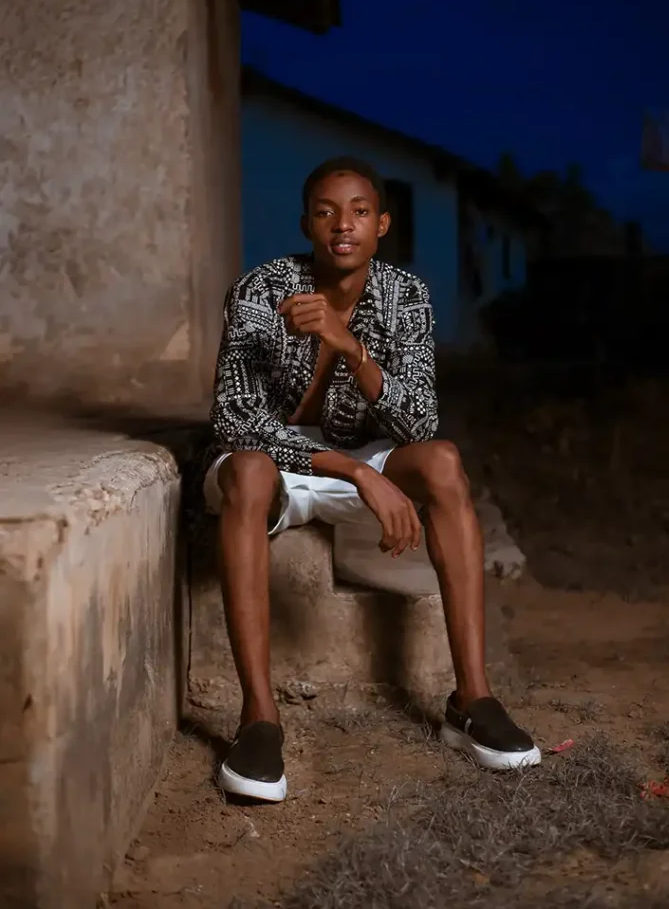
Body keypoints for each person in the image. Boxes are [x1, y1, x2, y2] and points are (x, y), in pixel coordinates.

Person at [203, 156, 540, 803]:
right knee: (245, 471)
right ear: (307, 224)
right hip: (279, 468)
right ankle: (258, 720)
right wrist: (355, 472)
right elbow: (234, 420)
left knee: (442, 460)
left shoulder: (404, 296)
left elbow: (420, 423)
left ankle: (471, 701)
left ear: (381, 224)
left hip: (365, 457)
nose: (343, 225)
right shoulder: (260, 289)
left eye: (359, 212)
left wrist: (350, 347)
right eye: (326, 212)